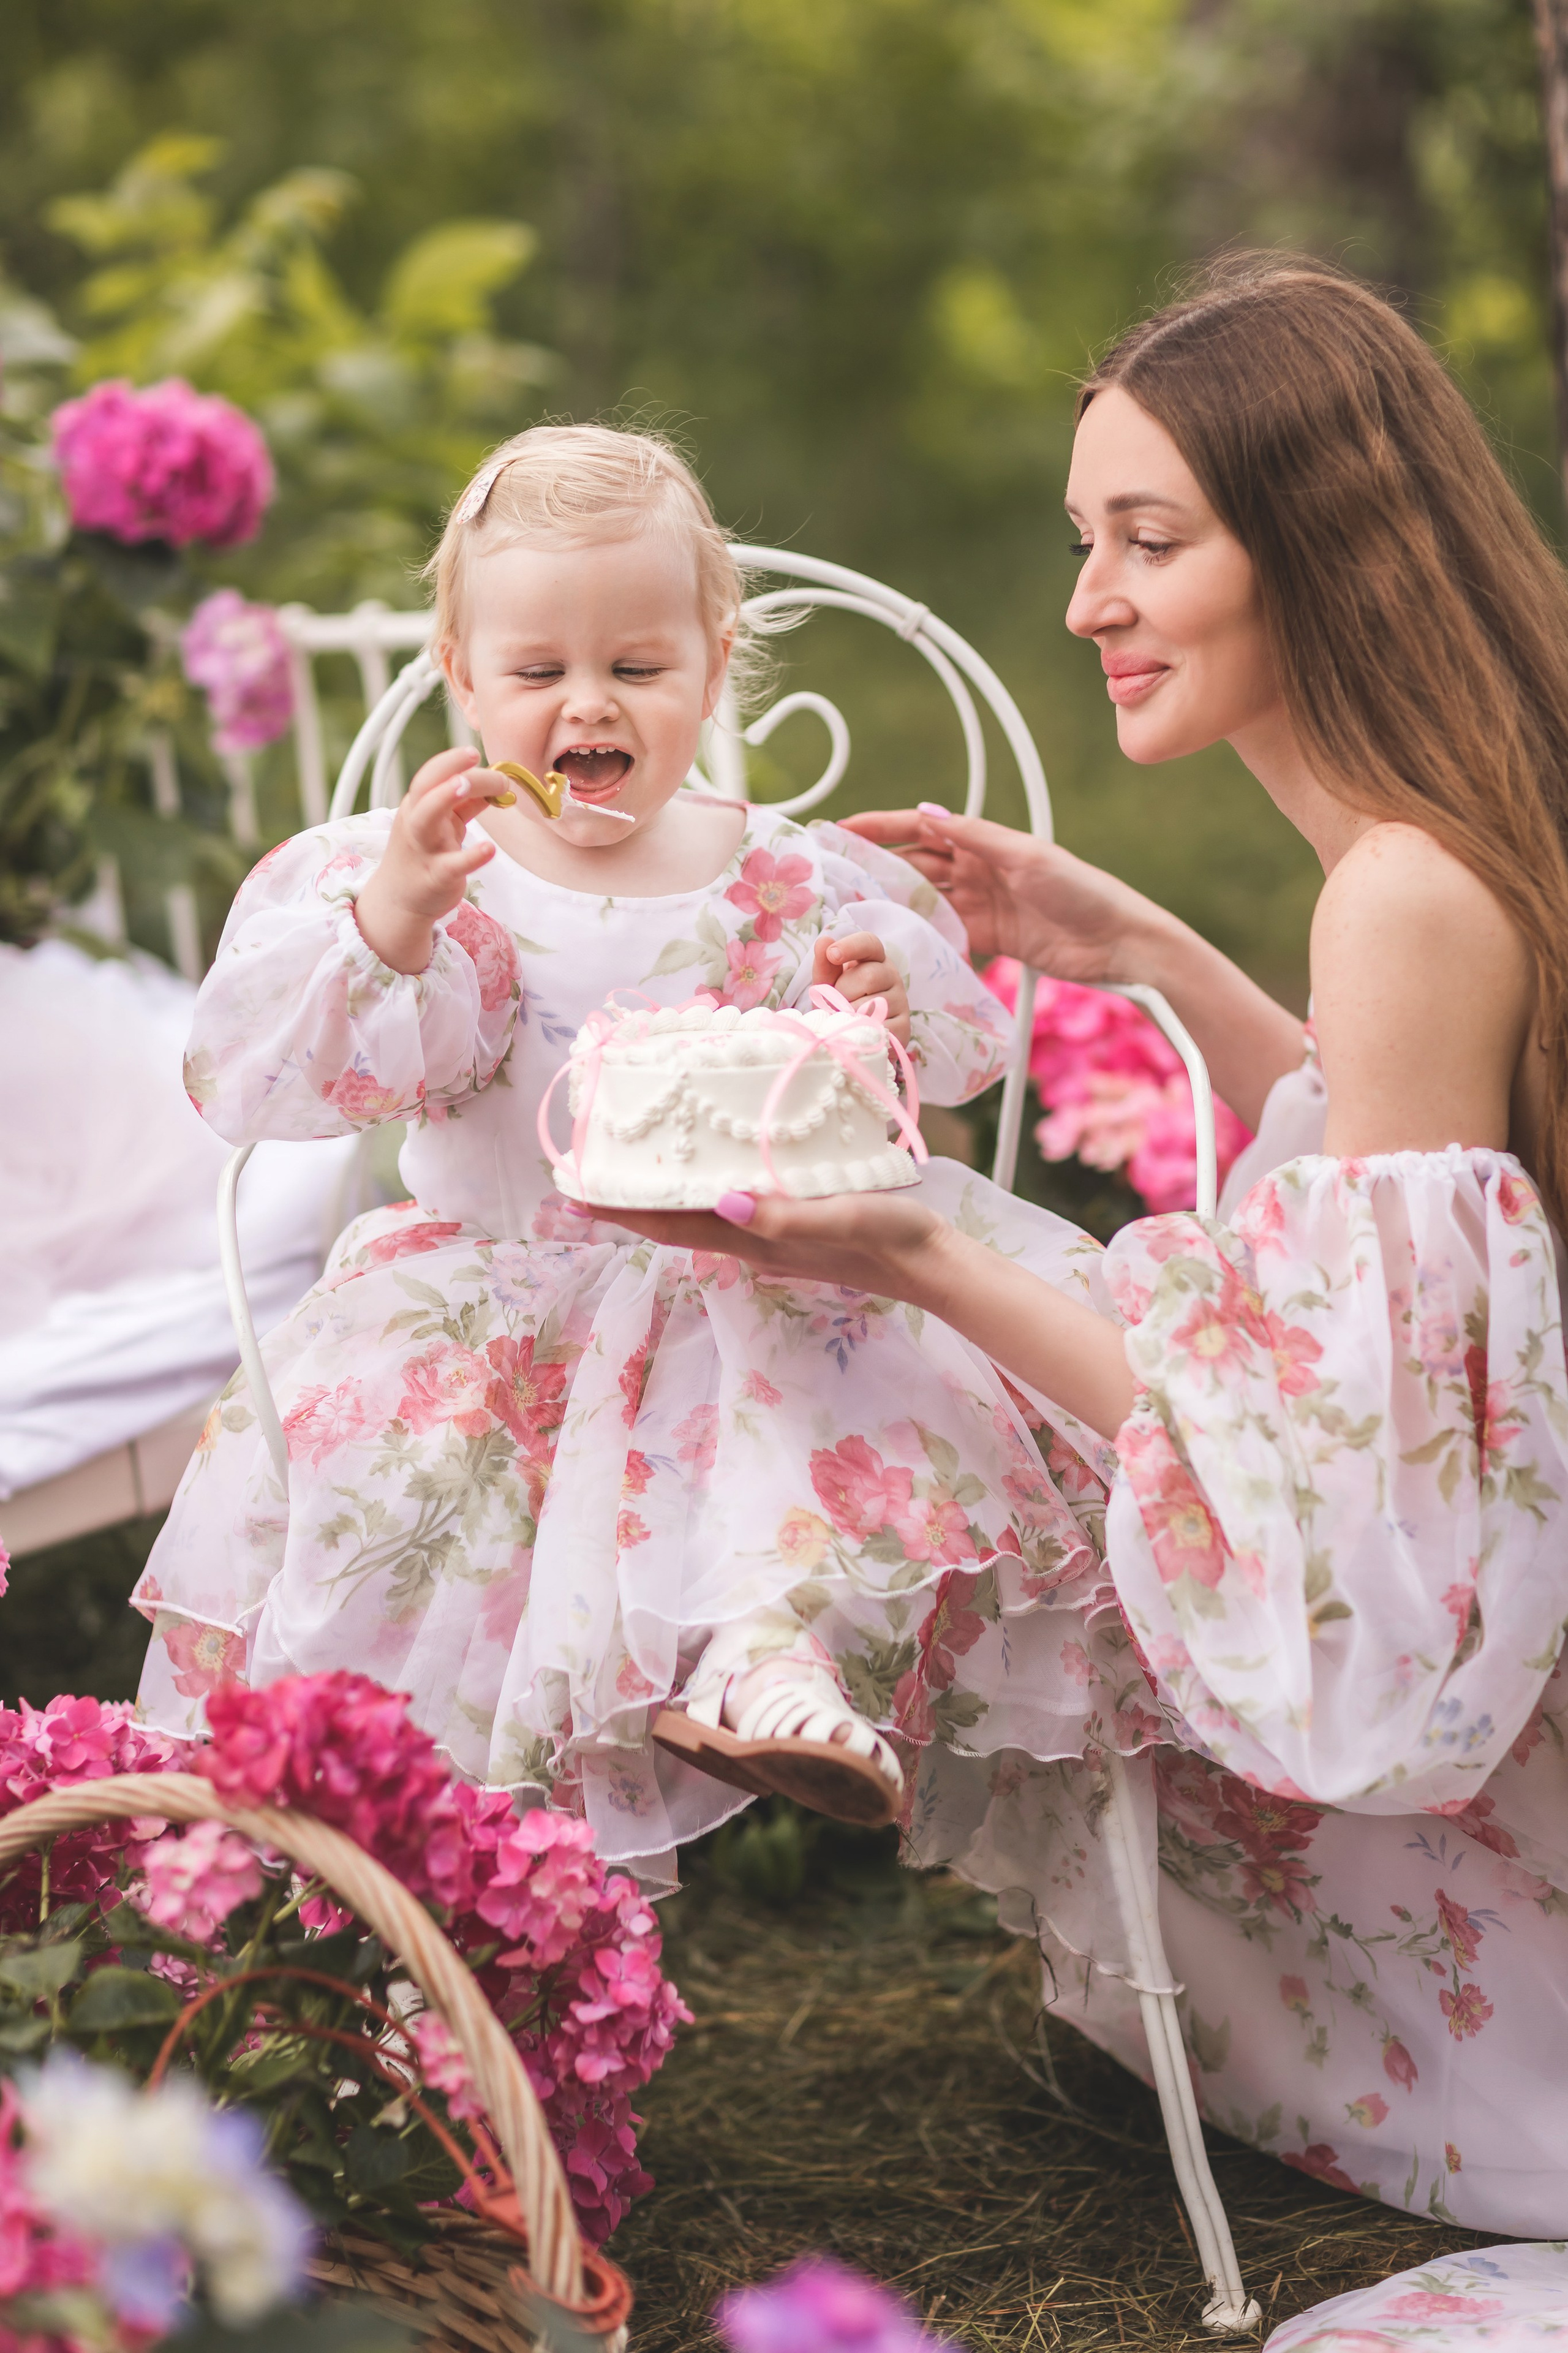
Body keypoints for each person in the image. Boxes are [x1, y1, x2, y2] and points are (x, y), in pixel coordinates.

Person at [595, 262, 1568, 2240]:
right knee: (951, 1269)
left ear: (1319, 542)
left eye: (1150, 539)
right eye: (1080, 541)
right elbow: (1404, 1185)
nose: (1087, 603)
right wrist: (1142, 949)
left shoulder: (1404, 893)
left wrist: (912, 1266)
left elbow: (1339, 1508)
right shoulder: (1437, 856)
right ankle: (788, 1656)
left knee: (909, 1290)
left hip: (1476, 1815)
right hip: (1465, 1620)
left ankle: (738, 1706)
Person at [134, 421, 1132, 1892]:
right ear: (464, 677)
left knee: (794, 1366)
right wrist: (396, 914)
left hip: (760, 1279)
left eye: (636, 669)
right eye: (537, 673)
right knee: (401, 1529)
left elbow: (951, 1048)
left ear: (712, 671)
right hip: (499, 1313)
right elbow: (257, 1073)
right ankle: (429, 1916)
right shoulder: (431, 874)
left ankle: (762, 1655)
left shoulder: (786, 873)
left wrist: (872, 1009)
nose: (585, 704)